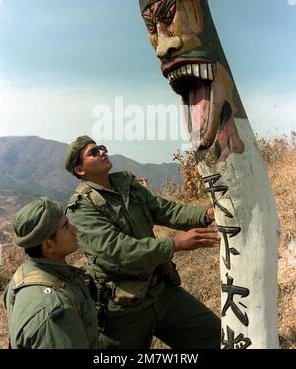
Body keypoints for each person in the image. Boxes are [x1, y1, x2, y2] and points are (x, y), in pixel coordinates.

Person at [65, 135, 221, 349]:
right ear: (80, 170)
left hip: (161, 290)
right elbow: (116, 251)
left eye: (101, 147)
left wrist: (206, 214)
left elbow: (164, 210)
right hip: (122, 308)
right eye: (93, 152)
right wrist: (175, 244)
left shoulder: (126, 184)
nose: (102, 152)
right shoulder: (81, 208)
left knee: (214, 337)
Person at [4, 196, 98, 349]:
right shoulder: (53, 312)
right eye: (66, 227)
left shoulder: (22, 275)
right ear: (48, 246)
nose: (75, 230)